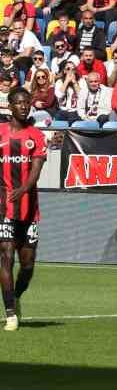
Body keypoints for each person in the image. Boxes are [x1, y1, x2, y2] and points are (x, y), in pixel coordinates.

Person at [0, 89, 46, 331]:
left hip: (29, 210)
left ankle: (16, 297)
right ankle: (10, 314)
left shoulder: (36, 136)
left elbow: (36, 170)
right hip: (3, 208)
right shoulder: (0, 132)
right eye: (18, 103)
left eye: (26, 103)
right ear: (10, 106)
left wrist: (25, 188)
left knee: (27, 264)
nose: (23, 106)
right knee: (6, 255)